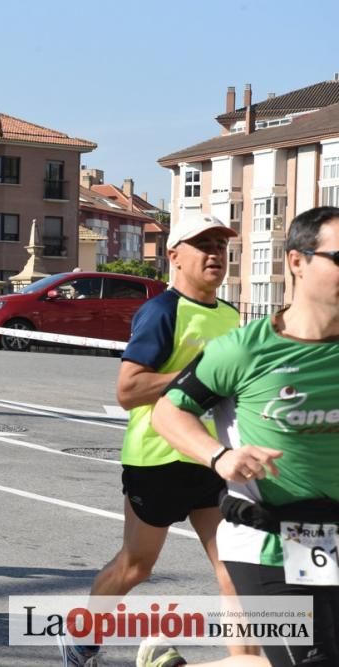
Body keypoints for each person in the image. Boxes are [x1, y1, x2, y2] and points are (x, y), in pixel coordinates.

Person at [137, 206, 339, 667]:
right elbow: (169, 412)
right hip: (266, 537)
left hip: (328, 536)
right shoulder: (247, 349)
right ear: (297, 262)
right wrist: (219, 456)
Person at [63, 213, 256, 665]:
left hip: (212, 459)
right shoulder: (161, 311)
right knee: (136, 566)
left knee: (234, 570)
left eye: (221, 247)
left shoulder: (231, 317)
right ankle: (81, 642)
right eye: (203, 245)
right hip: (157, 458)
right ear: (175, 255)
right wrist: (198, 377)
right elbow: (129, 391)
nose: (214, 254)